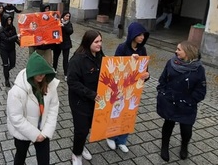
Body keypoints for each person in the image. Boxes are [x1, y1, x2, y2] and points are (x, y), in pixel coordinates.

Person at [157, 40, 206, 162]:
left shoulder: (199, 69)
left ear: (188, 52)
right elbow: (162, 80)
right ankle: (164, 146)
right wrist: (163, 93)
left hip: (186, 105)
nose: (176, 51)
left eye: (179, 49)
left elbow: (201, 90)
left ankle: (184, 146)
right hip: (170, 101)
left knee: (186, 129)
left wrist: (189, 100)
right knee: (168, 125)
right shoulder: (171, 63)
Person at [7, 51, 59, 165]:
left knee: (44, 160)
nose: (41, 76)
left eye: (44, 73)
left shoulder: (50, 85)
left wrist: (45, 133)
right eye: (38, 73)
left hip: (43, 131)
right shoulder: (16, 92)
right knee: (20, 156)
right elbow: (15, 117)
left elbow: (53, 108)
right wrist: (35, 135)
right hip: (23, 133)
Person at [106, 22, 150, 153]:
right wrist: (129, 60)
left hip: (134, 88)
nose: (142, 37)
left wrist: (146, 75)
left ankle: (122, 140)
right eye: (139, 34)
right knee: (116, 111)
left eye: (143, 35)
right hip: (120, 87)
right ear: (132, 34)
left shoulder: (142, 50)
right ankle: (111, 136)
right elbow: (115, 68)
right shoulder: (122, 48)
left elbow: (145, 69)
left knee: (129, 114)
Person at [67, 30, 104, 165]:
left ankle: (81, 146)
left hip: (95, 100)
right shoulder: (77, 59)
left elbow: (111, 68)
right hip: (79, 101)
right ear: (88, 42)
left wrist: (133, 60)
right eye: (96, 42)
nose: (99, 44)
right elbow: (72, 82)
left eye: (101, 41)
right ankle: (76, 154)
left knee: (87, 126)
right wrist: (91, 94)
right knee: (81, 129)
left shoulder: (100, 55)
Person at [52, 11, 74, 81]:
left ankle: (66, 74)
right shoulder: (57, 21)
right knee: (55, 57)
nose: (67, 17)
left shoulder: (69, 24)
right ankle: (54, 70)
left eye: (69, 16)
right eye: (66, 16)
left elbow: (70, 31)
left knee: (65, 59)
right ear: (63, 16)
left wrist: (63, 26)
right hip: (58, 43)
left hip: (66, 44)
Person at [0, 13, 19, 87]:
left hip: (11, 48)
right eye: (8, 20)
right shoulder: (1, 30)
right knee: (5, 64)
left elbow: (15, 38)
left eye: (10, 19)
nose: (9, 21)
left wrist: (21, 43)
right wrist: (16, 36)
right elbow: (7, 39)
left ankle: (6, 71)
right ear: (5, 20)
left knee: (13, 64)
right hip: (4, 49)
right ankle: (6, 80)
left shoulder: (13, 28)